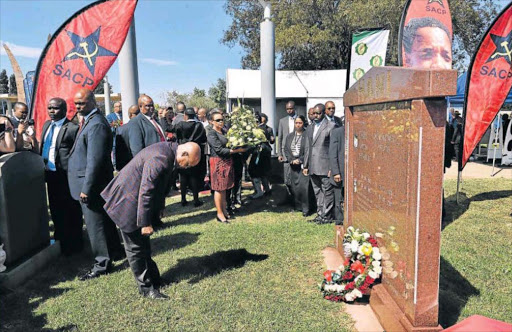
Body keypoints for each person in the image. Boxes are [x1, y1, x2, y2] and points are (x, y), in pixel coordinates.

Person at [101, 142, 201, 300]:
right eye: (188, 164)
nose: (186, 168)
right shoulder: (160, 158)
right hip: (127, 200)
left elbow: (161, 185)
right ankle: (146, 289)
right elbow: (146, 191)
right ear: (184, 154)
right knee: (135, 249)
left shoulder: (170, 153)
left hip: (135, 199)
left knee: (144, 246)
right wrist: (145, 223)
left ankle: (155, 280)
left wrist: (160, 206)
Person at [67, 88, 123, 281]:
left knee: (95, 226)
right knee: (104, 221)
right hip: (90, 182)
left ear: (92, 101)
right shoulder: (89, 120)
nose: (77, 107)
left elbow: (95, 161)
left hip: (91, 184)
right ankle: (116, 251)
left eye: (81, 103)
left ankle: (102, 264)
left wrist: (86, 189)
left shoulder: (96, 124)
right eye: (75, 103)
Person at [40, 97, 83, 255]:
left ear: (64, 110)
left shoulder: (72, 128)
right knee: (56, 210)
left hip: (66, 176)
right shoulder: (46, 125)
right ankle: (60, 240)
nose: (52, 111)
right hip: (50, 175)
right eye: (49, 108)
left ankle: (75, 243)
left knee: (71, 210)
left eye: (55, 108)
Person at [207, 110, 246, 223]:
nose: (221, 122)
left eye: (222, 119)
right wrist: (237, 150)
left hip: (227, 162)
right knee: (219, 189)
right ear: (211, 122)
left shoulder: (224, 131)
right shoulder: (211, 133)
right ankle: (219, 213)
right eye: (218, 120)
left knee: (225, 189)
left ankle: (224, 210)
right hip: (218, 162)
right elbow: (219, 150)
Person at [303, 103, 336, 224]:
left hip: (325, 165)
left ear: (323, 113)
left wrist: (332, 167)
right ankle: (320, 214)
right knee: (317, 192)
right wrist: (305, 165)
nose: (316, 116)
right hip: (312, 165)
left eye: (318, 113)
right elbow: (308, 147)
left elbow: (334, 148)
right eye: (314, 113)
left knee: (327, 191)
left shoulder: (331, 126)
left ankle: (327, 216)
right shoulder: (310, 127)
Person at [171, 108, 207, 206]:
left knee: (183, 176)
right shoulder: (199, 125)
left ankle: (183, 199)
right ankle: (196, 200)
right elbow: (204, 139)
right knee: (194, 176)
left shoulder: (181, 124)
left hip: (182, 152)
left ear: (185, 116)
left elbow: (172, 130)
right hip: (195, 152)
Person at [284, 115, 314, 216]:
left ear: (303, 123)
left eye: (300, 123)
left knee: (304, 187)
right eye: (296, 123)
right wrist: (291, 160)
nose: (298, 125)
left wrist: (300, 160)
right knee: (295, 187)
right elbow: (286, 149)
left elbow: (308, 151)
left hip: (303, 165)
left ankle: (306, 209)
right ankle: (298, 206)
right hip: (293, 165)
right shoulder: (290, 136)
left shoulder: (307, 136)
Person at [248, 113, 274, 198]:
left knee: (253, 171)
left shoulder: (257, 129)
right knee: (263, 172)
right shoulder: (265, 128)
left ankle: (259, 191)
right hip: (265, 152)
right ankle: (267, 190)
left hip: (259, 153)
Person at [278, 101, 297, 197]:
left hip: (297, 152)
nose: (289, 111)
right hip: (285, 153)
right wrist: (280, 154)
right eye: (287, 109)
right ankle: (289, 196)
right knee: (287, 177)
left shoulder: (299, 119)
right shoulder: (282, 121)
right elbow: (280, 138)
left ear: (294, 108)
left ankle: (297, 197)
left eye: (291, 108)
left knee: (296, 176)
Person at [114, 105, 140, 171]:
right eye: (136, 113)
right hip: (127, 168)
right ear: (130, 115)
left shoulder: (146, 128)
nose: (139, 115)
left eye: (140, 113)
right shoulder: (120, 130)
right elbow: (118, 152)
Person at [329, 125, 345, 225]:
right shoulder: (337, 132)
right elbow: (333, 153)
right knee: (338, 198)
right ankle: (339, 220)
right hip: (340, 172)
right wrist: (336, 172)